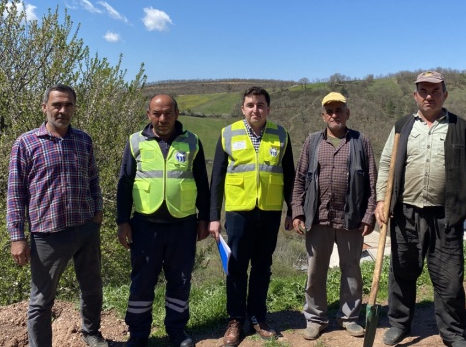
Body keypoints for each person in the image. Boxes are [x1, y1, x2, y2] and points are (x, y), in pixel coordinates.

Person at [375, 71, 466, 347]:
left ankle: (453, 333)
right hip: (405, 213)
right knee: (401, 272)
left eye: (435, 91)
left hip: (445, 215)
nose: (429, 96)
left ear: (444, 95)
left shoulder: (462, 128)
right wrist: (381, 200)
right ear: (415, 95)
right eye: (423, 90)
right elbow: (387, 163)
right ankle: (399, 324)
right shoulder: (402, 127)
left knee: (449, 278)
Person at [7, 84, 107, 347]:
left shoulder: (83, 139)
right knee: (41, 299)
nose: (62, 110)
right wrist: (17, 237)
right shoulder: (26, 143)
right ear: (45, 107)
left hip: (85, 228)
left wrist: (97, 212)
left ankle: (92, 333)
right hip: (48, 235)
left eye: (68, 105)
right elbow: (15, 193)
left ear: (74, 107)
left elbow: (93, 179)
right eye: (56, 105)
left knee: (92, 288)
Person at [116, 94, 210, 347]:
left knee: (180, 280)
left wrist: (205, 218)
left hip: (183, 224)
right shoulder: (136, 142)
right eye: (157, 113)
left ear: (177, 114)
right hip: (145, 225)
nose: (162, 118)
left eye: (168, 113)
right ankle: (138, 334)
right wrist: (122, 220)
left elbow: (202, 182)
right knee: (142, 281)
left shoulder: (192, 142)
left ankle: (177, 331)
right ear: (149, 115)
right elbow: (124, 183)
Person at [209, 86, 295, 347]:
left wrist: (292, 210)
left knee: (262, 267)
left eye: (260, 105)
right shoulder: (228, 134)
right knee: (236, 268)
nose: (255, 109)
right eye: (250, 105)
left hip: (269, 212)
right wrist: (214, 215)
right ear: (242, 108)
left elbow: (290, 176)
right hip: (238, 212)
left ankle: (258, 317)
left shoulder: (281, 134)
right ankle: (235, 320)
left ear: (268, 109)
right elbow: (217, 179)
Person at [291, 92, 377, 340]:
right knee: (315, 270)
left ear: (347, 113)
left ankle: (349, 317)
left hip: (352, 218)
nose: (334, 114)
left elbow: (372, 181)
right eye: (329, 111)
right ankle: (316, 318)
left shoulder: (361, 142)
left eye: (339, 110)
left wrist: (369, 215)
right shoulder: (312, 141)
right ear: (323, 116)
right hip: (318, 218)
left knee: (351, 270)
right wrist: (297, 211)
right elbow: (300, 179)